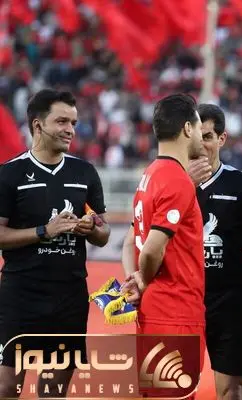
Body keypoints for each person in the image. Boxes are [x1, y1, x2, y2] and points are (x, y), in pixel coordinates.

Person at [0, 89, 111, 397]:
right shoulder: (10, 174)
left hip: (69, 296)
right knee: (8, 386)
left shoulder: (84, 172)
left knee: (53, 389)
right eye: (62, 121)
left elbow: (104, 233)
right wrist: (43, 231)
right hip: (20, 295)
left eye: (73, 122)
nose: (71, 130)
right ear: (38, 125)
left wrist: (90, 228)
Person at [187, 103, 242, 399]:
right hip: (182, 300)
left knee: (232, 390)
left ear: (222, 139)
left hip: (230, 302)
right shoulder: (172, 183)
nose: (201, 144)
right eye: (196, 137)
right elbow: (143, 237)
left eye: (208, 136)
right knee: (174, 387)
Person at [120, 93, 206, 396]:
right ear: (187, 128)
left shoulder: (150, 174)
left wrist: (135, 278)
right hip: (175, 312)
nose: (200, 135)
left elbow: (130, 240)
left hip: (155, 312)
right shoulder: (177, 180)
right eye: (199, 127)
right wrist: (143, 278)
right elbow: (152, 248)